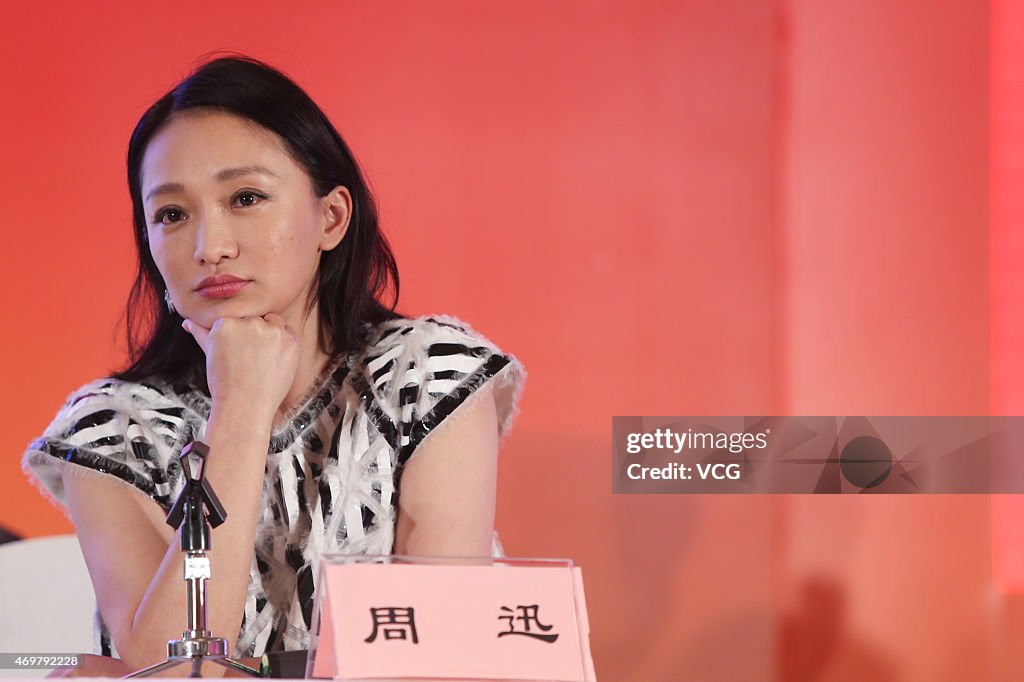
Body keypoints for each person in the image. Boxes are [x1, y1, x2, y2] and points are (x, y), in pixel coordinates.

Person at [21, 55, 524, 676]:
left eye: (247, 198)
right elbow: (176, 670)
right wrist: (240, 411)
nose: (211, 246)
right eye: (171, 214)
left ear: (331, 218)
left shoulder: (427, 375)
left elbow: (439, 654)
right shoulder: (110, 428)